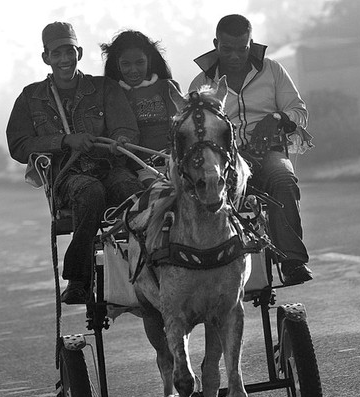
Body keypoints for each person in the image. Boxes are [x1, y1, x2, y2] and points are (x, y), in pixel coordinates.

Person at [6, 21, 144, 304]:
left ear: (79, 52)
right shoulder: (30, 97)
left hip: (109, 168)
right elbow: (18, 145)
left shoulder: (103, 87)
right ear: (46, 57)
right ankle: (79, 279)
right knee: (91, 192)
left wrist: (119, 140)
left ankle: (150, 265)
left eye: (69, 52)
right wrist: (64, 141)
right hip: (68, 177)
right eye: (56, 54)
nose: (64, 59)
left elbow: (127, 129)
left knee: (137, 194)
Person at [189, 14, 314, 286]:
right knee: (207, 193)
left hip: (268, 153)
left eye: (242, 48)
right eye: (227, 49)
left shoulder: (273, 70)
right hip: (226, 160)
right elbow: (194, 131)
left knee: (283, 178)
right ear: (215, 43)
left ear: (251, 43)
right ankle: (210, 266)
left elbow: (299, 111)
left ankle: (292, 261)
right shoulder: (201, 83)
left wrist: (278, 118)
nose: (235, 56)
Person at [101, 29, 181, 182]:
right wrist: (118, 144)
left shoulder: (168, 87)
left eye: (139, 62)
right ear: (117, 64)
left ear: (149, 60)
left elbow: (179, 128)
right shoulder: (111, 94)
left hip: (175, 164)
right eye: (126, 64)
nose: (133, 70)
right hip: (140, 169)